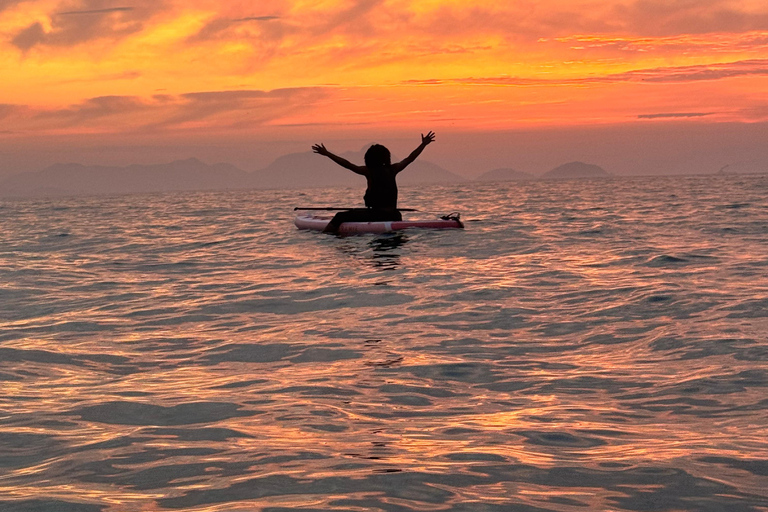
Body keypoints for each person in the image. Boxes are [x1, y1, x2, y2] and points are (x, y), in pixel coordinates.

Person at [311, 131, 435, 233]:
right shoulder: (393, 169)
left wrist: (327, 154)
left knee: (339, 216)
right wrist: (423, 144)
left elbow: (347, 164)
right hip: (394, 215)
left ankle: (325, 237)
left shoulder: (368, 171)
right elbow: (410, 158)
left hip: (376, 216)